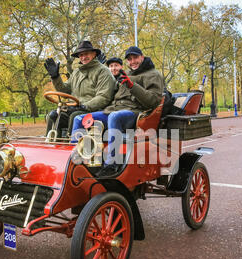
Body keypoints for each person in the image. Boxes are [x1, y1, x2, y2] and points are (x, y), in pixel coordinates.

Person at [72, 46, 164, 176]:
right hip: (113, 110)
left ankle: (112, 163)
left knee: (114, 117)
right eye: (129, 59)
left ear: (142, 57)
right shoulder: (126, 74)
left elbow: (153, 101)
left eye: (135, 58)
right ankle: (74, 158)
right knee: (80, 118)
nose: (132, 62)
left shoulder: (153, 74)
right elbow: (109, 93)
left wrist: (132, 86)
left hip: (135, 113)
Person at [44, 40, 115, 137]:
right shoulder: (76, 72)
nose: (83, 57)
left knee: (75, 116)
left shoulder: (103, 71)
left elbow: (104, 96)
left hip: (94, 110)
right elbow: (65, 90)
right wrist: (55, 77)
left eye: (86, 54)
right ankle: (51, 143)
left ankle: (72, 144)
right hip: (74, 108)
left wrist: (84, 106)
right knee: (54, 115)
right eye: (81, 55)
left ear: (94, 54)